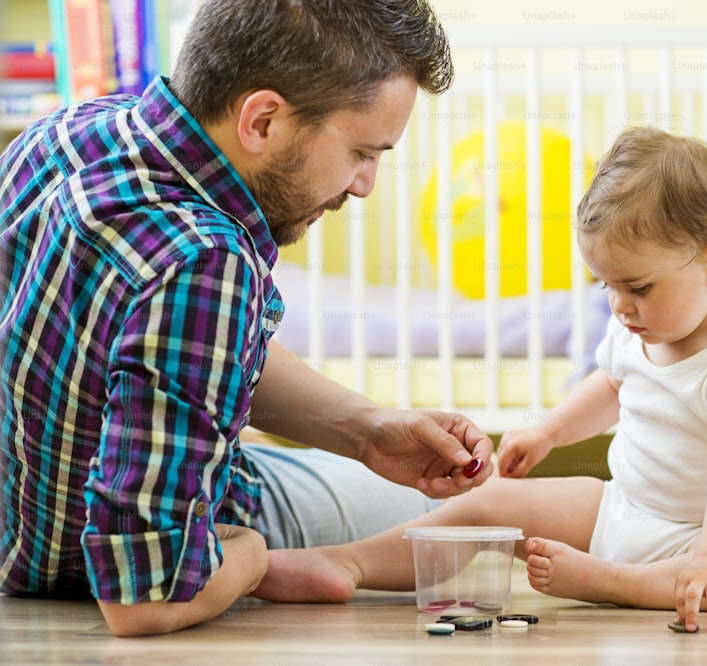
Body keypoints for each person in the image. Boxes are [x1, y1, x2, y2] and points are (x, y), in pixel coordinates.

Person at [0, 0, 496, 638]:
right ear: (262, 119)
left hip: (20, 533)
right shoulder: (206, 257)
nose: (365, 184)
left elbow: (168, 347)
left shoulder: (63, 133)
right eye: (362, 152)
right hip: (139, 552)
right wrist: (253, 555)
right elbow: (145, 599)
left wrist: (367, 430)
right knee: (468, 515)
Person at [252, 126, 707, 634]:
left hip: (702, 539)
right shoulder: (643, 324)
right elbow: (612, 385)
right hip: (621, 512)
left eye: (638, 287)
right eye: (607, 286)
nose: (621, 306)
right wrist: (549, 431)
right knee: (490, 500)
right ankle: (349, 563)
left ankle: (614, 584)